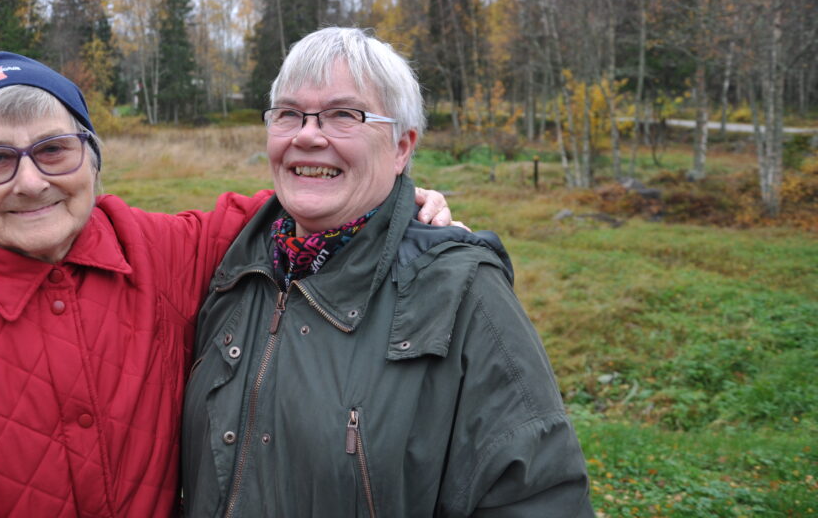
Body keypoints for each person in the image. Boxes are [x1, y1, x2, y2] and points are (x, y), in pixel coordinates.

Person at [0, 51, 452, 517]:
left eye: (55, 151)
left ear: (93, 162)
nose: (28, 183)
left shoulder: (154, 253)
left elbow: (285, 209)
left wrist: (391, 203)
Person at [181, 27, 594, 517]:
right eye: (289, 113)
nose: (307, 135)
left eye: (343, 115)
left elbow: (536, 497)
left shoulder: (461, 291)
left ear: (401, 148)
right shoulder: (233, 264)